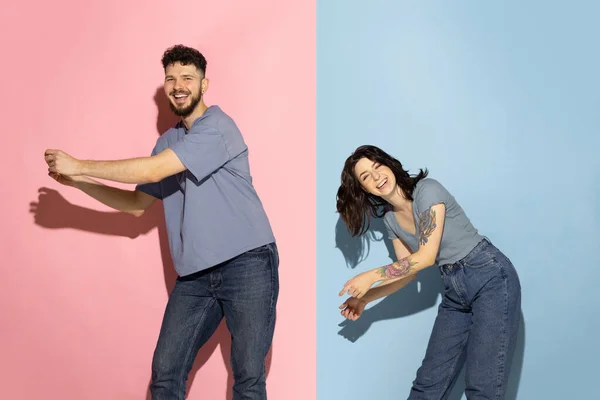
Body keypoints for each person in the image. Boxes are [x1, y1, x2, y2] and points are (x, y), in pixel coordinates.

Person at [44, 45, 279, 400]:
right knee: (166, 373)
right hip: (196, 276)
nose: (178, 84)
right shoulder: (168, 142)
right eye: (170, 78)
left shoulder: (217, 127)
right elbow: (137, 204)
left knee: (248, 377)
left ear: (204, 84)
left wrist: (79, 164)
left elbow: (153, 170)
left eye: (187, 77)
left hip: (247, 263)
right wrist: (78, 183)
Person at [336, 145, 521, 399]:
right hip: (455, 290)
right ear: (363, 189)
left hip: (489, 277)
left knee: (482, 388)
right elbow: (408, 272)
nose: (376, 176)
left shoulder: (427, 190)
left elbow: (424, 257)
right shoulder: (390, 220)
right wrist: (365, 298)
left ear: (389, 164)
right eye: (366, 176)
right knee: (427, 386)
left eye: (377, 166)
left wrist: (370, 277)